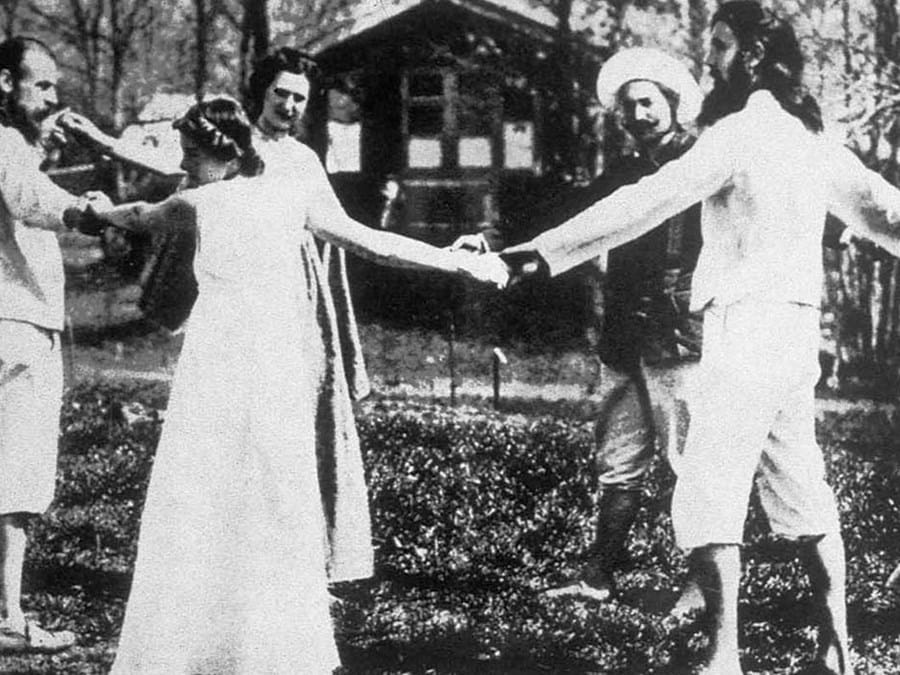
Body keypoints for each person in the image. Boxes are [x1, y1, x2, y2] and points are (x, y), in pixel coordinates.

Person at [493, 1, 900, 671]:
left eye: (720, 46)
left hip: (743, 330)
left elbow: (645, 201)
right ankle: (837, 651)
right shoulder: (813, 142)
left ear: (753, 56)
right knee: (803, 487)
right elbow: (886, 211)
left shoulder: (736, 135)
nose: (710, 62)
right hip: (796, 336)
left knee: (709, 491)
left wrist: (541, 252)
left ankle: (724, 656)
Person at [81, 96, 504, 674]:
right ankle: (239, 644)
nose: (183, 164)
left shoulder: (199, 202)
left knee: (215, 489)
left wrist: (98, 211)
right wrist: (448, 258)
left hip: (232, 360)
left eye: (191, 154)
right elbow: (373, 243)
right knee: (264, 490)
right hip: (261, 359)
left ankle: (230, 646)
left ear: (226, 154)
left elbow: (136, 215)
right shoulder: (276, 196)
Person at [538, 48, 705, 604]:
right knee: (618, 461)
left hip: (680, 336)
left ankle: (701, 586)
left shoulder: (705, 164)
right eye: (629, 107)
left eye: (648, 102)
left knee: (690, 462)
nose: (639, 115)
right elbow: (572, 220)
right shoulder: (625, 173)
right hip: (625, 337)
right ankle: (598, 577)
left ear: (674, 104)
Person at [247, 46, 375, 586]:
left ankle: (304, 563)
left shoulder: (302, 160)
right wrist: (106, 145)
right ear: (260, 91)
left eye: (300, 98)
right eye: (281, 93)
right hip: (241, 308)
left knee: (300, 431)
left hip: (294, 308)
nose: (290, 106)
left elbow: (345, 230)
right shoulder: (235, 148)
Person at [0, 36, 110, 654]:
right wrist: (86, 212)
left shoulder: (15, 145)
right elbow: (28, 199)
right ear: (4, 82)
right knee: (17, 474)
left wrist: (40, 148)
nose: (51, 97)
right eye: (40, 85)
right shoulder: (6, 142)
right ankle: (9, 620)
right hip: (15, 324)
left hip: (13, 319)